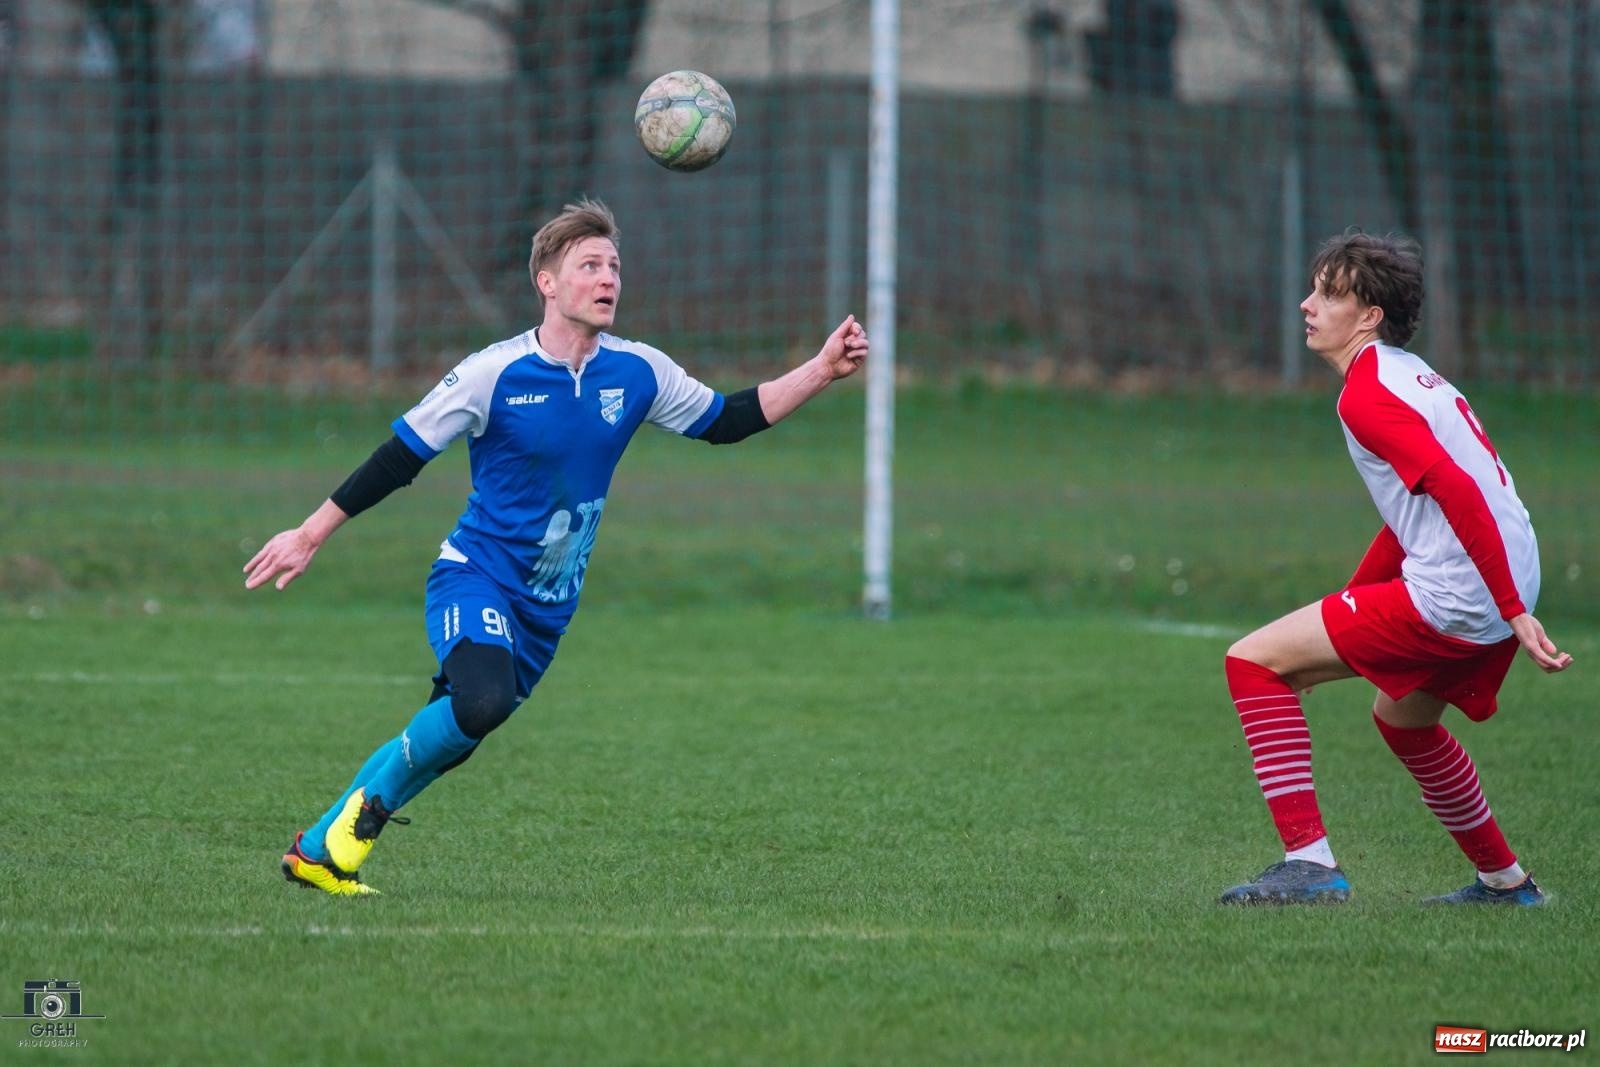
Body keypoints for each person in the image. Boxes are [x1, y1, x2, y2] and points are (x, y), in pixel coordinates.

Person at [245, 198, 868, 895]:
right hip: (474, 576)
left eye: (614, 266)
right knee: (477, 703)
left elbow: (726, 419)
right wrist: (309, 532)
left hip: (548, 609)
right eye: (590, 265)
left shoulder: (639, 373)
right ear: (548, 281)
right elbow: (400, 456)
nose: (608, 279)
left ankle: (316, 853)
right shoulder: (494, 373)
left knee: (454, 734)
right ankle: (353, 832)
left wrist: (819, 369)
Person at [1218, 231, 1572, 907]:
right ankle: (1507, 883)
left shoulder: (1368, 394)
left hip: (1470, 592)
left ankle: (1310, 864)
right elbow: (1412, 512)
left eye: (1328, 292)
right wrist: (1346, 611)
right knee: (1403, 720)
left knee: (1253, 662)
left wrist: (1511, 611)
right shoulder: (1408, 374)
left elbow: (1457, 491)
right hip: (1501, 575)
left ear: (1370, 314)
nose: (1307, 304)